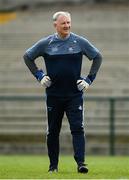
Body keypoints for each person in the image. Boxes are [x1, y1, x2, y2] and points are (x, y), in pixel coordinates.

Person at [23, 11, 102, 173]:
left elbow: (98, 57)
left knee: (77, 128)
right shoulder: (46, 43)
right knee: (53, 131)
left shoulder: (79, 42)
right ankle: (53, 167)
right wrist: (39, 75)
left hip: (74, 95)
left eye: (69, 22)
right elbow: (27, 56)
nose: (67, 26)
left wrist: (88, 80)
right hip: (53, 95)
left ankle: (81, 163)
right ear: (55, 25)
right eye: (63, 23)